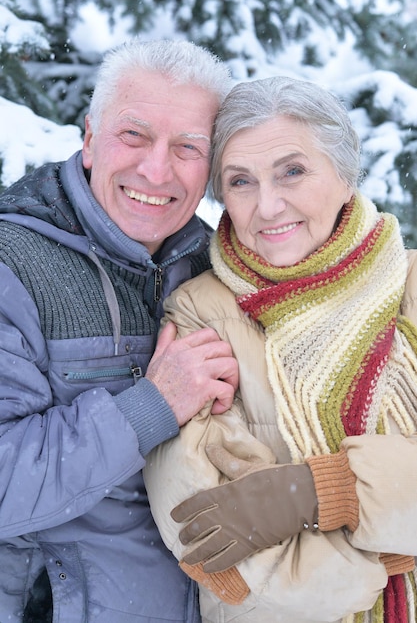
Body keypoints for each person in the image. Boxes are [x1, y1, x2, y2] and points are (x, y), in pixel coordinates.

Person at [143, 75, 417, 623]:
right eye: (240, 181)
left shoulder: (410, 284)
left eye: (293, 171)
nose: (268, 205)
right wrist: (396, 551)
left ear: (345, 174)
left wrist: (324, 491)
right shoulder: (199, 313)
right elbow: (223, 560)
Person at [0, 37, 238, 623]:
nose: (156, 170)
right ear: (88, 139)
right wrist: (153, 405)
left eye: (188, 147)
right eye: (134, 135)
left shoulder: (218, 270)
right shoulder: (14, 264)